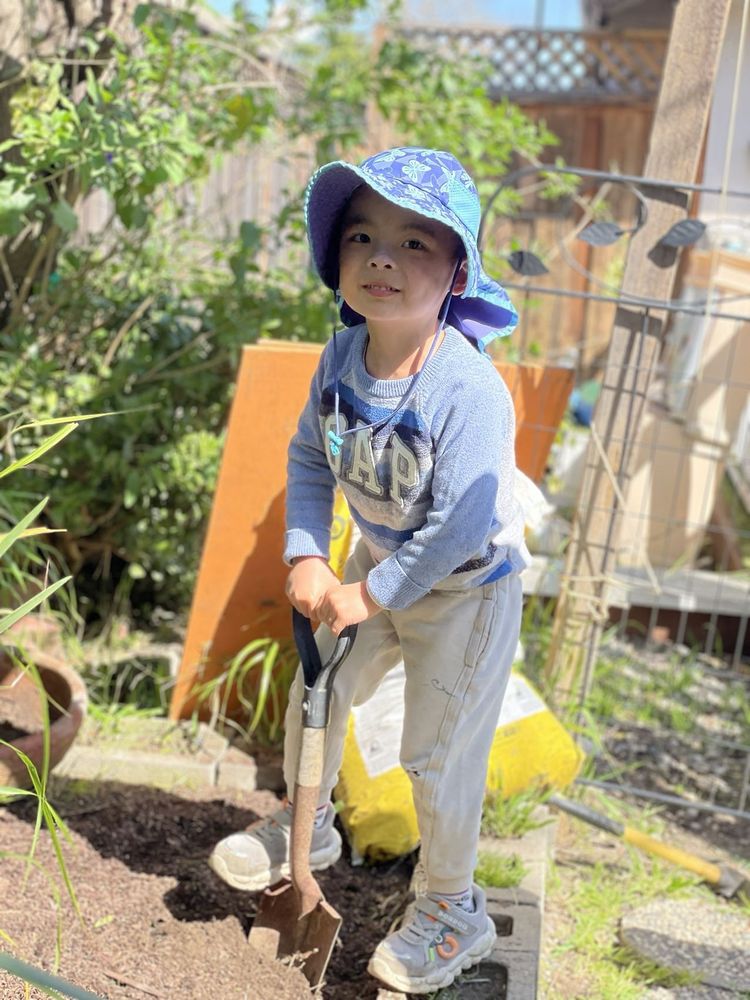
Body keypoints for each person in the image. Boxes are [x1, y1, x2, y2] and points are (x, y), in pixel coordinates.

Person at [209, 146, 530, 994]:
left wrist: (368, 591)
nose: (382, 257)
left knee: (436, 752)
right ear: (337, 259)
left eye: (414, 243)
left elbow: (462, 520)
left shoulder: (468, 390)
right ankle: (308, 823)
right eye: (361, 237)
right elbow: (312, 459)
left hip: (464, 591)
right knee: (321, 691)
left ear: (457, 269)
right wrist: (309, 552)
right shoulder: (340, 357)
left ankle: (453, 907)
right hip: (374, 566)